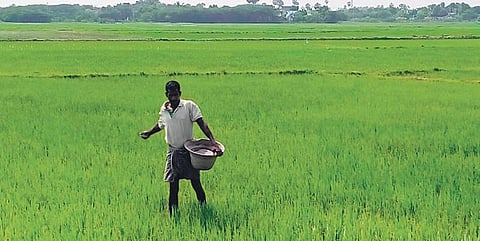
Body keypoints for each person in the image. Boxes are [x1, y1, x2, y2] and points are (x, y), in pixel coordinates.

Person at [139, 80, 222, 215]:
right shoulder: (164, 109)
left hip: (189, 151)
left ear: (180, 93)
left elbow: (202, 123)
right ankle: (173, 214)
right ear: (166, 94)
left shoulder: (189, 106)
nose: (174, 97)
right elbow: (161, 124)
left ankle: (204, 208)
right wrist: (149, 133)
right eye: (171, 94)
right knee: (173, 184)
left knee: (195, 182)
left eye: (176, 94)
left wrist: (213, 141)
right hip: (173, 152)